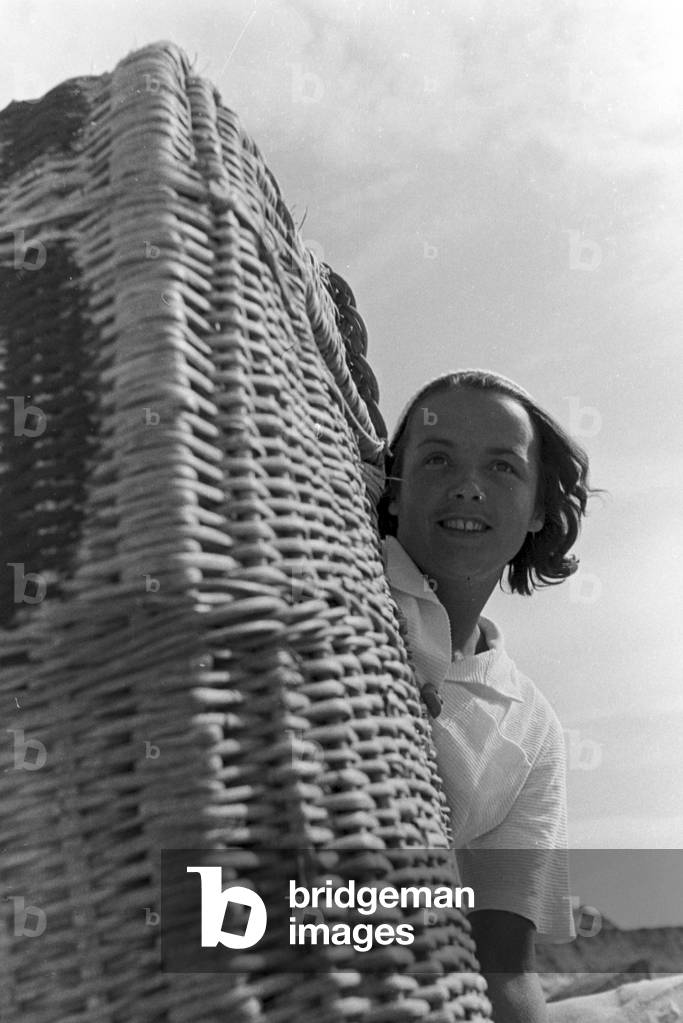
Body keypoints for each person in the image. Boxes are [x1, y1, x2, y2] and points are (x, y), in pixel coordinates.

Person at [376, 369, 594, 1023]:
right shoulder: (326, 570)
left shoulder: (530, 729)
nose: (467, 484)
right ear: (392, 487)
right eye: (436, 458)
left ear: (535, 508)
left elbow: (503, 963)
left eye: (502, 466)